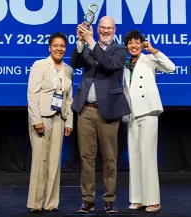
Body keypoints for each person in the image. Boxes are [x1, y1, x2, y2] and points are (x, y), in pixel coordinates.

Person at [71, 16, 130, 213]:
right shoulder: (87, 45)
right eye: (102, 28)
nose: (106, 31)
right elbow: (74, 62)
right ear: (97, 29)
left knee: (109, 158)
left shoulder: (120, 49)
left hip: (109, 110)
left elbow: (110, 65)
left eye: (109, 28)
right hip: (85, 109)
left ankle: (109, 200)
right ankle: (87, 200)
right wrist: (80, 42)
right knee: (86, 157)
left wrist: (90, 42)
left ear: (114, 30)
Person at [122, 30, 175, 213]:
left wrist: (154, 50)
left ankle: (153, 200)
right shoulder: (125, 63)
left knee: (148, 156)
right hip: (131, 113)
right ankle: (137, 198)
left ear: (142, 44)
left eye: (137, 42)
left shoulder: (149, 59)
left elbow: (171, 67)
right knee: (134, 156)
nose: (134, 46)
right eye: (130, 43)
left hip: (148, 111)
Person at [26, 32, 74, 213]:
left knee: (55, 161)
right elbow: (32, 94)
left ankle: (52, 202)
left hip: (59, 118)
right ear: (49, 47)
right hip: (42, 118)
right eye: (56, 45)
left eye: (62, 46)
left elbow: (69, 98)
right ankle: (36, 203)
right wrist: (36, 119)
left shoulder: (68, 70)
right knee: (40, 160)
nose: (59, 49)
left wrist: (69, 121)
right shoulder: (39, 65)